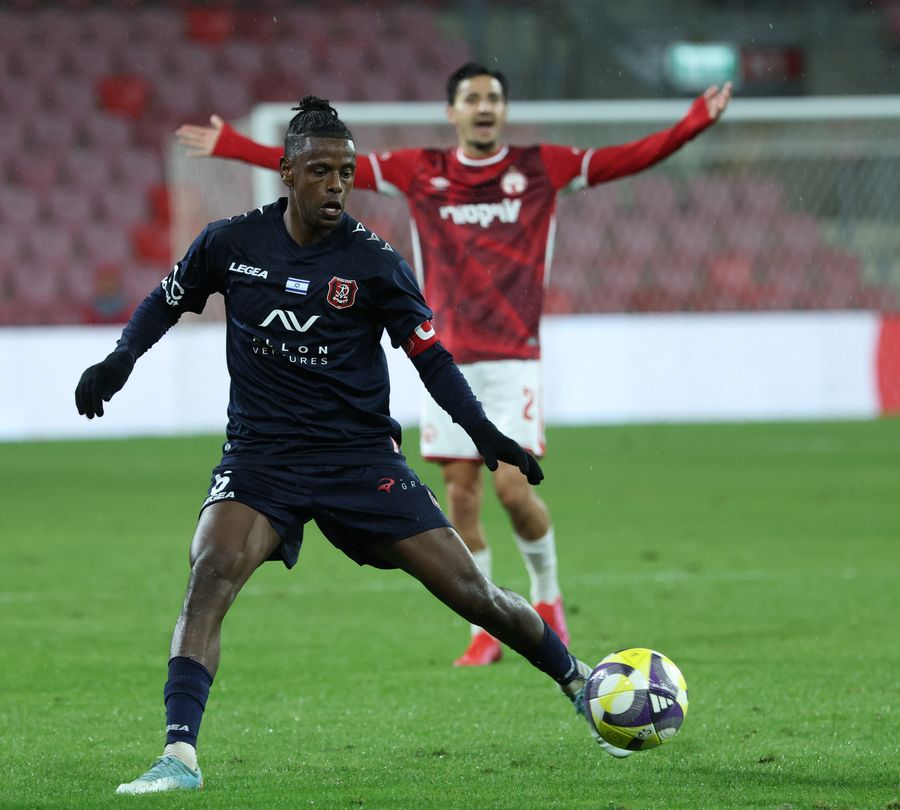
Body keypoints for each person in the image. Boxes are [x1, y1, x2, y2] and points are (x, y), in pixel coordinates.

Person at [76, 97, 631, 795]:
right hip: (262, 458)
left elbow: (430, 357)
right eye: (320, 171)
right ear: (286, 173)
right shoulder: (230, 244)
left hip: (359, 460)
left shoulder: (373, 263)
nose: (336, 185)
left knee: (473, 594)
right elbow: (166, 299)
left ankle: (577, 681)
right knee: (210, 569)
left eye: (345, 172)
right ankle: (178, 755)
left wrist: (483, 429)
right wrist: (120, 359)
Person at [176, 64, 733, 667]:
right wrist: (235, 147)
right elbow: (318, 164)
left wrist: (692, 124)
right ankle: (483, 632)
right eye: (472, 98)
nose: (483, 107)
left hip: (513, 357)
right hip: (446, 358)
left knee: (513, 490)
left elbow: (626, 159)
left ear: (504, 110)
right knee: (461, 496)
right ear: (453, 112)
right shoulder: (422, 170)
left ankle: (547, 598)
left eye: (493, 97)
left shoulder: (542, 167)